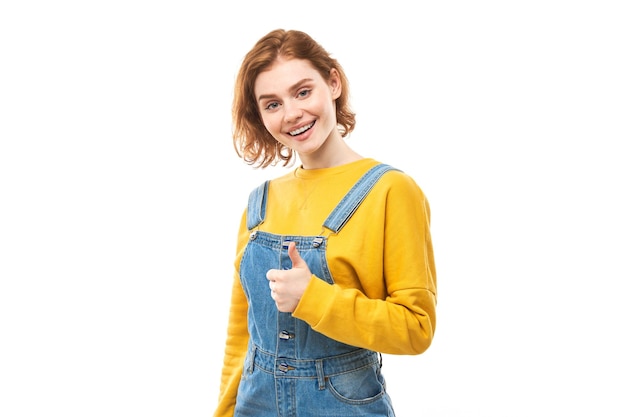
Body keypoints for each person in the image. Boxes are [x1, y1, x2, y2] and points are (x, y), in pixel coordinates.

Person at [213, 28, 437, 417]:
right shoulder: (259, 202)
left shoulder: (391, 191)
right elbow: (241, 334)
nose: (292, 114)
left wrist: (314, 299)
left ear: (333, 82)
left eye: (302, 92)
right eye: (272, 104)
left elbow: (416, 328)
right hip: (254, 405)